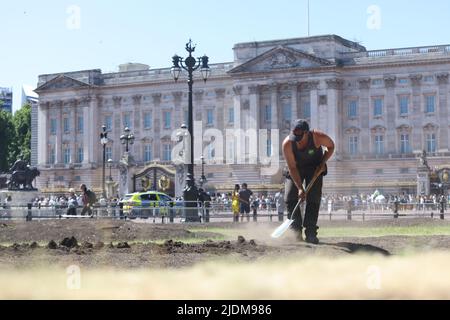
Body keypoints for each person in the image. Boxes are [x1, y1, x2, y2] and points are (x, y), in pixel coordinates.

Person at [282, 119, 335, 244]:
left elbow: (331, 146)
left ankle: (311, 232)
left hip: (314, 168)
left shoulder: (317, 136)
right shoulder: (287, 144)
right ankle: (295, 231)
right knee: (290, 197)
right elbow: (292, 168)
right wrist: (300, 188)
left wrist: (323, 162)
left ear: (306, 133)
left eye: (299, 138)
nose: (297, 141)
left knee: (313, 198)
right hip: (296, 168)